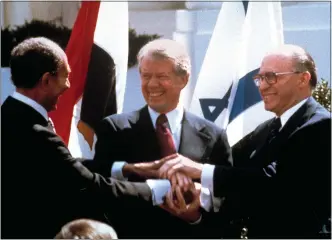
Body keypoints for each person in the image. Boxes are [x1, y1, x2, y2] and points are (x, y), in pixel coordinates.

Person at [0, 37, 178, 238]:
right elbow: (86, 185)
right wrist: (159, 190)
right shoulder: (35, 132)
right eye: (65, 77)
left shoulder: (10, 117)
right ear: (46, 80)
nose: (68, 85)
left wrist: (127, 169)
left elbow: (59, 164)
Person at [157, 44, 331, 239]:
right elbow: (230, 167)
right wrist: (193, 199)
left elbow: (273, 186)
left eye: (272, 77)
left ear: (303, 79)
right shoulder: (266, 129)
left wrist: (199, 170)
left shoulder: (321, 126)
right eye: (259, 78)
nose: (263, 86)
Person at [91, 38, 233, 238]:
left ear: (183, 79)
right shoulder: (114, 129)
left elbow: (226, 199)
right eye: (146, 76)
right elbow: (100, 187)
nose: (152, 84)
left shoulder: (214, 135)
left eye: (161, 76)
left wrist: (195, 214)